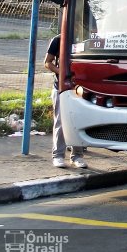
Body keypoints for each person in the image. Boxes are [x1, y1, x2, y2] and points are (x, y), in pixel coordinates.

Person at [44, 35, 87, 169]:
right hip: (62, 86)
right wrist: (62, 73)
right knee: (61, 121)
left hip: (79, 87)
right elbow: (47, 62)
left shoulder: (85, 39)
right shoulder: (58, 40)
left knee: (79, 120)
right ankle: (58, 155)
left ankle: (77, 156)